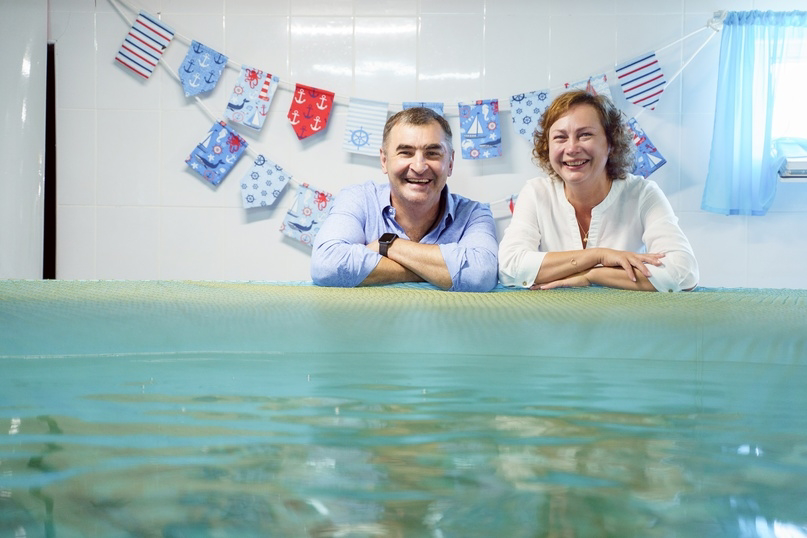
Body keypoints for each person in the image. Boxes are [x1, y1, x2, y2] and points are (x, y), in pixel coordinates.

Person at [498, 90, 698, 292]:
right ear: (547, 147)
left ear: (611, 143)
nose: (572, 148)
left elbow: (683, 273)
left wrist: (591, 275)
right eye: (560, 137)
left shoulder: (643, 193)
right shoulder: (536, 192)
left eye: (585, 135)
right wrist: (598, 256)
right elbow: (509, 268)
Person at [311, 107, 499, 292]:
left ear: (450, 163)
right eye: (406, 152)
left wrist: (389, 245)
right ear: (384, 160)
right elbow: (326, 265)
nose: (419, 167)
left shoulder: (474, 214)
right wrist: (437, 271)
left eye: (432, 153)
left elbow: (482, 275)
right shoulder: (357, 199)